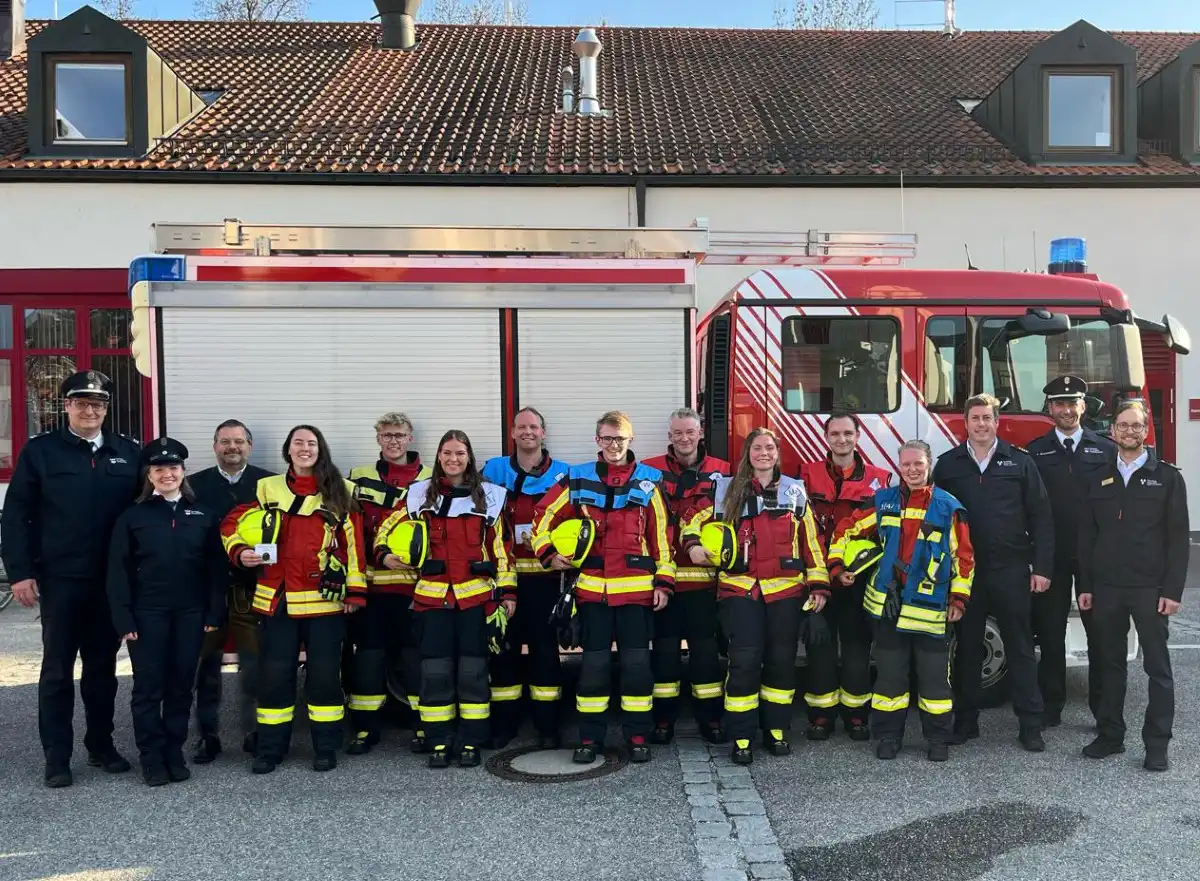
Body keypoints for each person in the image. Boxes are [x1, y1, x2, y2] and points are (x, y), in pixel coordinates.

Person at [1, 370, 141, 788]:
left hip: (109, 582)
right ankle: (56, 757)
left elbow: (143, 512)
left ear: (106, 408)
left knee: (102, 669)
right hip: (61, 579)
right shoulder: (41, 452)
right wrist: (21, 572)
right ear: (66, 407)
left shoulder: (127, 453)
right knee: (58, 670)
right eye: (81, 402)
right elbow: (16, 516)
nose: (90, 409)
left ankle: (101, 746)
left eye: (97, 403)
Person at [531, 411, 675, 765]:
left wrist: (664, 583)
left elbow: (663, 540)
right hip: (592, 595)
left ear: (631, 440)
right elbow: (541, 518)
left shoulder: (650, 482)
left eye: (620, 439)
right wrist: (549, 554)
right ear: (597, 441)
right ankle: (589, 738)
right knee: (592, 670)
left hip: (637, 596)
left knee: (637, 670)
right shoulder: (575, 480)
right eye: (607, 438)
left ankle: (637, 735)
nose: (613, 445)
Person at [221, 425, 367, 774]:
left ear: (321, 450)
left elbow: (354, 546)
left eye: (311, 443)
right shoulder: (267, 489)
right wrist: (241, 552)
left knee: (325, 678)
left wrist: (356, 592)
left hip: (325, 604)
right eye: (298, 443)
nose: (305, 448)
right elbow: (231, 524)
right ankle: (270, 750)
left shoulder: (341, 491)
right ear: (288, 450)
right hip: (278, 601)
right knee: (274, 677)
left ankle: (326, 748)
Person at [680, 427, 829, 765]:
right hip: (741, 592)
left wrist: (819, 586)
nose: (764, 453)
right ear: (747, 453)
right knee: (744, 664)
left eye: (769, 448)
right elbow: (691, 521)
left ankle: (776, 731)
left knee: (780, 664)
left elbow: (812, 546)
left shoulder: (795, 491)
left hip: (786, 594)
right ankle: (742, 737)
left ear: (777, 453)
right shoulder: (726, 489)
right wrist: (693, 546)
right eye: (757, 448)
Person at [375, 430, 514, 768]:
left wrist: (508, 593)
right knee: (435, 674)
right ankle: (438, 741)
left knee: (473, 673)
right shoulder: (417, 495)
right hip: (431, 603)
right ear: (439, 456)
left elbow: (502, 552)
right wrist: (384, 556)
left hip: (476, 602)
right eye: (448, 453)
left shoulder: (492, 498)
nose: (453, 459)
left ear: (470, 457)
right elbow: (385, 529)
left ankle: (470, 741)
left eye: (460, 453)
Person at [828, 439, 974, 761]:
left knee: (935, 680)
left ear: (929, 464)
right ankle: (888, 737)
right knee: (890, 678)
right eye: (906, 464)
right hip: (887, 606)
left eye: (918, 463)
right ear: (899, 467)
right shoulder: (883, 502)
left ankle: (937, 739)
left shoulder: (949, 506)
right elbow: (845, 530)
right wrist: (839, 567)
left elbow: (963, 557)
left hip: (931, 608)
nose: (912, 470)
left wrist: (958, 599)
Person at [107, 438, 227, 786]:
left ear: (183, 471)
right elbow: (118, 571)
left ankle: (173, 753)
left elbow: (215, 571)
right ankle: (151, 757)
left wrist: (212, 614)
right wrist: (123, 618)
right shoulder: (133, 516)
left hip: (190, 614)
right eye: (159, 469)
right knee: (148, 687)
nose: (167, 474)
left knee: (179, 686)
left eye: (173, 468)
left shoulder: (203, 515)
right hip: (147, 615)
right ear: (150, 475)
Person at [1078, 400, 1190, 771]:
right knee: (1108, 665)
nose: (1129, 431)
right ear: (1113, 431)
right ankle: (1110, 735)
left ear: (1146, 431)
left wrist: (1172, 591)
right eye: (1123, 425)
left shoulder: (1168, 477)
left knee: (1157, 669)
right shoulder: (1097, 476)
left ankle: (1157, 744)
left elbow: (1177, 539)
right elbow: (1087, 535)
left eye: (1136, 426)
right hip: (1107, 588)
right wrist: (1086, 584)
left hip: (1149, 589)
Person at [1026, 376, 1116, 727]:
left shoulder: (1105, 449)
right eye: (1058, 403)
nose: (1066, 409)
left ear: (1083, 406)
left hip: (1094, 556)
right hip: (1053, 556)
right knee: (1050, 633)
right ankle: (1051, 708)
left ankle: (1102, 710)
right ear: (1049, 409)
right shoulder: (1035, 452)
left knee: (1101, 635)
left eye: (1072, 402)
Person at [797, 410, 892, 742]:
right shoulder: (805, 476)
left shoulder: (881, 479)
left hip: (857, 581)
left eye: (847, 434)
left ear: (858, 436)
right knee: (819, 649)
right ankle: (820, 717)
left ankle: (856, 717)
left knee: (856, 650)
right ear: (826, 438)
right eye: (835, 434)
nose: (841, 439)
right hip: (818, 577)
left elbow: (886, 532)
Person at [482, 407, 570, 749]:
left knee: (545, 655)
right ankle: (505, 727)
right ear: (513, 432)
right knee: (502, 655)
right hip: (505, 580)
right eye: (521, 427)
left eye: (534, 426)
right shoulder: (493, 470)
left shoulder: (563, 473)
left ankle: (548, 729)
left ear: (543, 433)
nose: (528, 432)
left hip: (546, 581)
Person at [345, 412, 432, 756]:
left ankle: (424, 724)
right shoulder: (359, 478)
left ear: (411, 438)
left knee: (415, 659)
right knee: (369, 658)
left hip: (417, 588)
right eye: (386, 435)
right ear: (378, 439)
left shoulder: (431, 478)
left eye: (399, 435)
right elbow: (349, 530)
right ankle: (366, 728)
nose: (393, 441)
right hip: (373, 587)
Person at [189, 419, 276, 764]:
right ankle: (206, 736)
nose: (232, 447)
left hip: (252, 589)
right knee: (205, 665)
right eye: (225, 441)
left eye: (239, 441)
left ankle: (254, 732)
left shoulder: (269, 484)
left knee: (254, 665)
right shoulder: (193, 485)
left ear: (249, 447)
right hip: (207, 589)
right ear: (215, 447)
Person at [643, 407, 730, 746]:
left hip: (704, 584)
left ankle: (711, 719)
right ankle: (663, 721)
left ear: (700, 433)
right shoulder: (648, 470)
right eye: (677, 433)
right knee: (663, 654)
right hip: (663, 581)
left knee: (706, 654)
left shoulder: (722, 472)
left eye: (689, 432)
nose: (683, 438)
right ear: (669, 436)